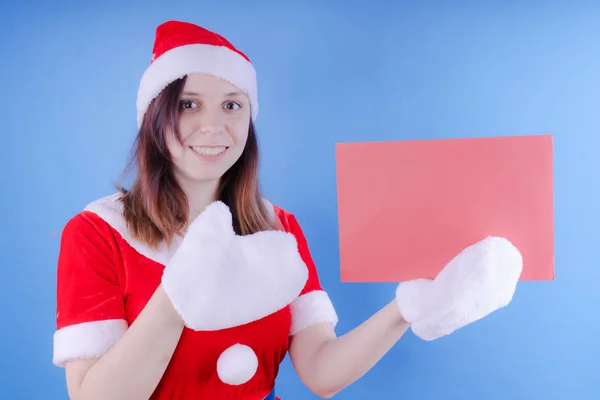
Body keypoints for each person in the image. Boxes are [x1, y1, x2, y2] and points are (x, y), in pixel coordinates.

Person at [52, 20, 524, 400]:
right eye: (189, 104)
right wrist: (178, 296)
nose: (213, 125)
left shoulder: (278, 227)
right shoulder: (98, 232)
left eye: (232, 105)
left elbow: (321, 371)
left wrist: (407, 309)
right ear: (155, 118)